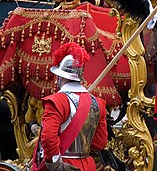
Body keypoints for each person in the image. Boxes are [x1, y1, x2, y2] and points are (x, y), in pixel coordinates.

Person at [31, 42, 107, 171]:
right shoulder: (98, 103)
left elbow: (48, 137)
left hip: (64, 165)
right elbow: (100, 142)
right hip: (87, 165)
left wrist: (56, 165)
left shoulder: (56, 101)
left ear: (60, 77)